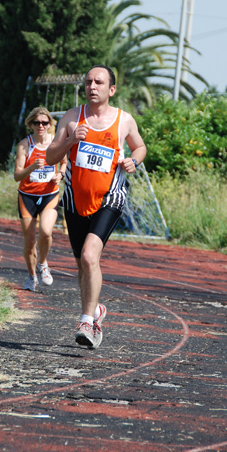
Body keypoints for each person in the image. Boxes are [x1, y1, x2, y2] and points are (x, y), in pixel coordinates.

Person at [46, 65, 146, 349]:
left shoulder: (124, 120)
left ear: (111, 90)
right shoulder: (71, 117)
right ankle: (96, 310)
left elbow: (140, 147)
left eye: (99, 82)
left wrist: (134, 161)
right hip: (75, 200)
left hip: (109, 198)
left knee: (91, 256)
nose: (92, 86)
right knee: (81, 266)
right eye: (88, 82)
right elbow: (51, 155)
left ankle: (87, 321)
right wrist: (69, 140)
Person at [14, 107, 67, 292]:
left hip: (49, 195)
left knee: (46, 231)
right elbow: (17, 176)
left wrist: (60, 175)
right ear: (31, 125)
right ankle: (31, 276)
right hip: (27, 197)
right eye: (37, 123)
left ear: (50, 125)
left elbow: (64, 163)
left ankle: (43, 264)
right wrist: (32, 167)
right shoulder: (24, 145)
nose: (41, 126)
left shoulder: (55, 143)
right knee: (30, 243)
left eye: (45, 123)